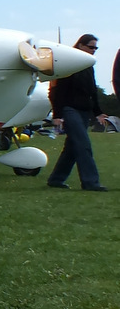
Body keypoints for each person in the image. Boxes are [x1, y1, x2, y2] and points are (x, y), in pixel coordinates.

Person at [46, 34, 108, 191]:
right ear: (80, 45)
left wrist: (98, 112)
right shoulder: (69, 63)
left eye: (96, 48)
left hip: (84, 111)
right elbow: (57, 92)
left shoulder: (88, 66)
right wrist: (57, 115)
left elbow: (92, 91)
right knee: (83, 145)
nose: (94, 50)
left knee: (73, 147)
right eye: (91, 47)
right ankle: (91, 183)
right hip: (69, 109)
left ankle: (56, 179)